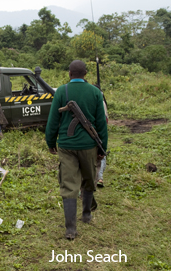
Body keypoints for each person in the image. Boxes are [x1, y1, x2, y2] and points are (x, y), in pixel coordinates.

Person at [45, 60, 108, 240]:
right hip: (89, 146)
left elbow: (52, 122)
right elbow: (101, 123)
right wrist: (103, 147)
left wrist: (51, 142)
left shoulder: (61, 91)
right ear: (85, 74)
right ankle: (86, 214)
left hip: (66, 146)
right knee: (89, 179)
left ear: (69, 73)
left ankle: (70, 229)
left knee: (69, 184)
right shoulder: (96, 92)